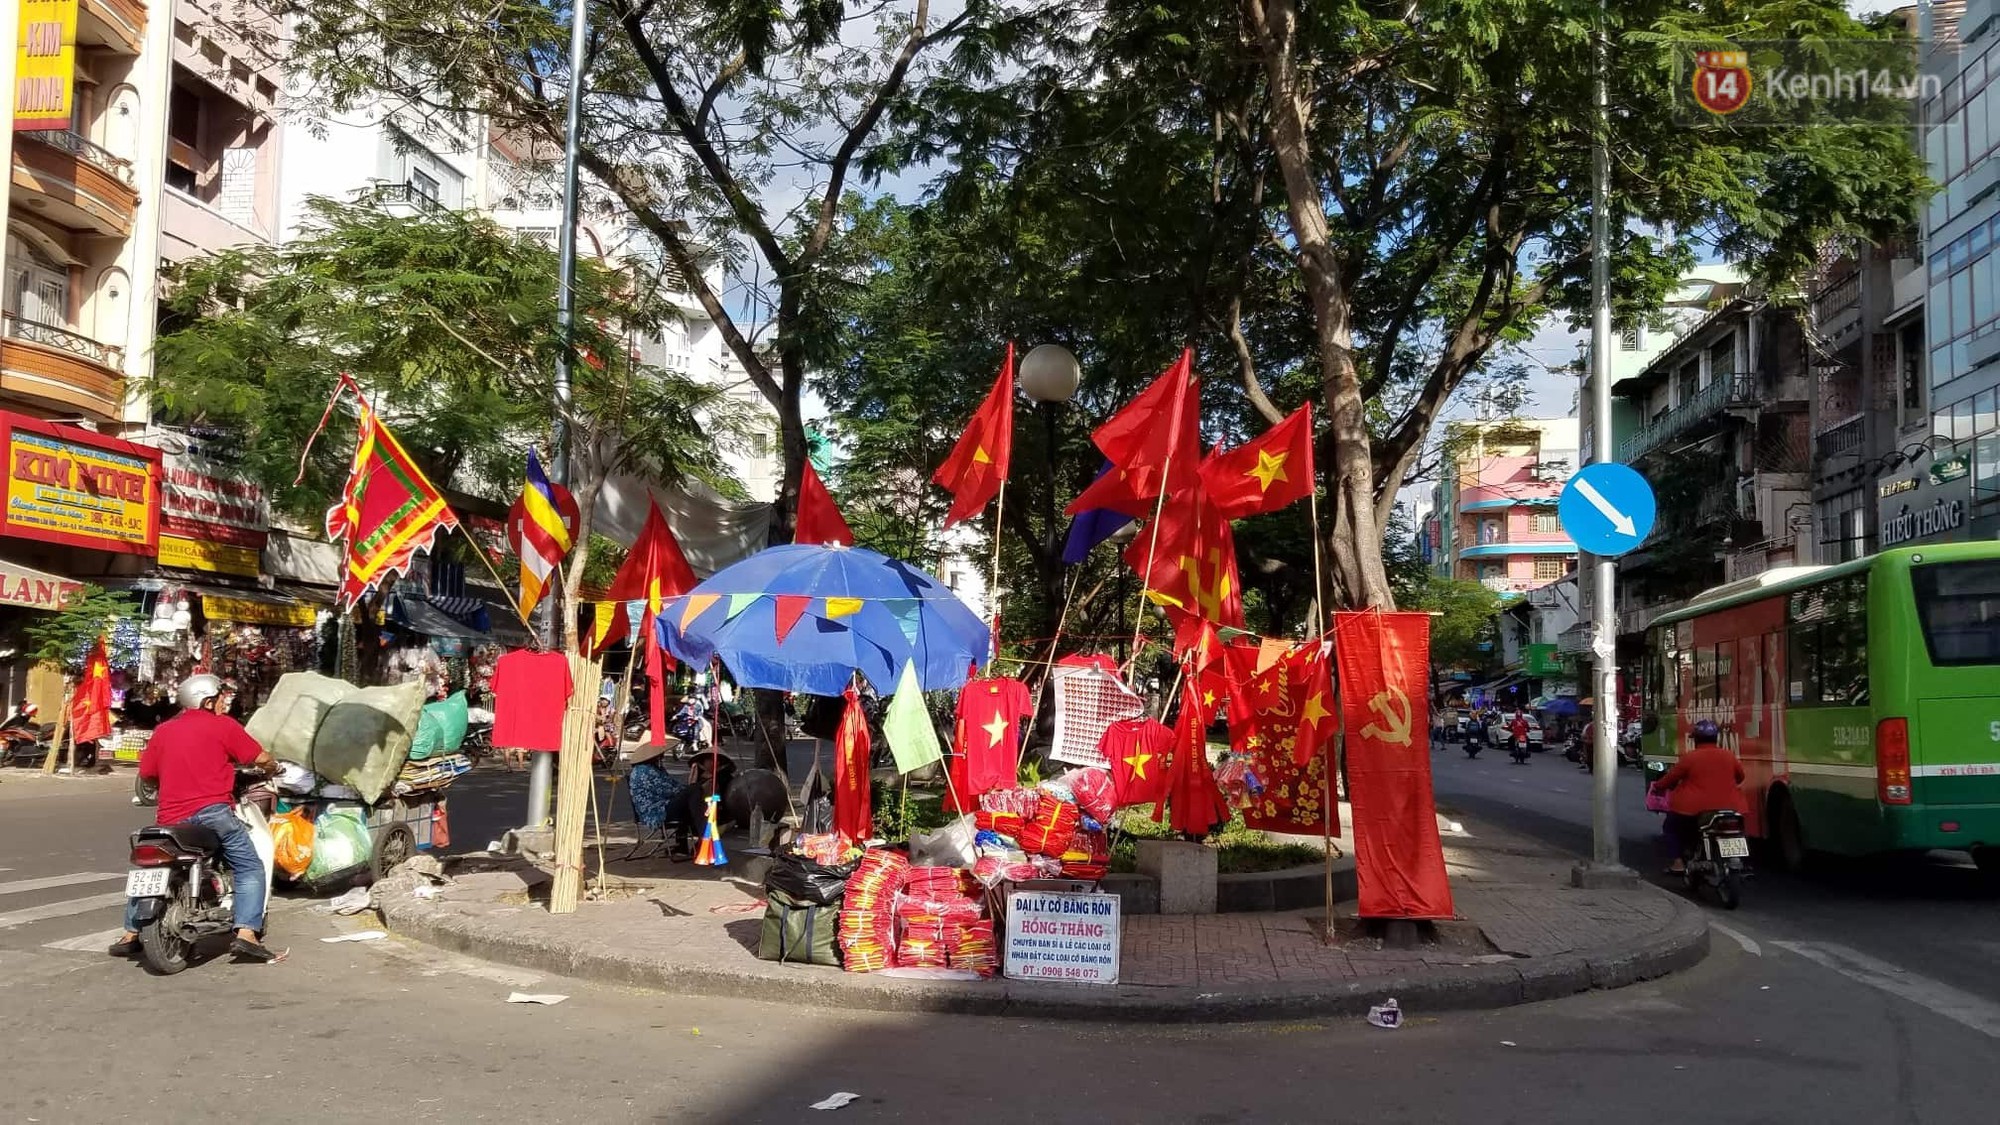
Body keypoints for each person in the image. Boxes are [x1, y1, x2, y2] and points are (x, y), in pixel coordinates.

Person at [110, 674, 278, 962]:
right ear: (207, 700)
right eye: (221, 697)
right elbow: (259, 757)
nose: (225, 702)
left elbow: (148, 774)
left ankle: (131, 933)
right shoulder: (223, 725)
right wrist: (273, 767)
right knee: (250, 866)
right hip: (212, 813)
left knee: (148, 871)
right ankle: (247, 933)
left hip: (169, 819)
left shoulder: (163, 731)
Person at [1650, 719, 1745, 873]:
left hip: (1694, 809)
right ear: (1716, 738)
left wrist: (1658, 787)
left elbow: (1670, 779)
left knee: (1670, 827)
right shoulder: (1729, 756)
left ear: (1696, 739)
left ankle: (1678, 863)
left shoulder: (1690, 758)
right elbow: (1740, 777)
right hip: (1731, 807)